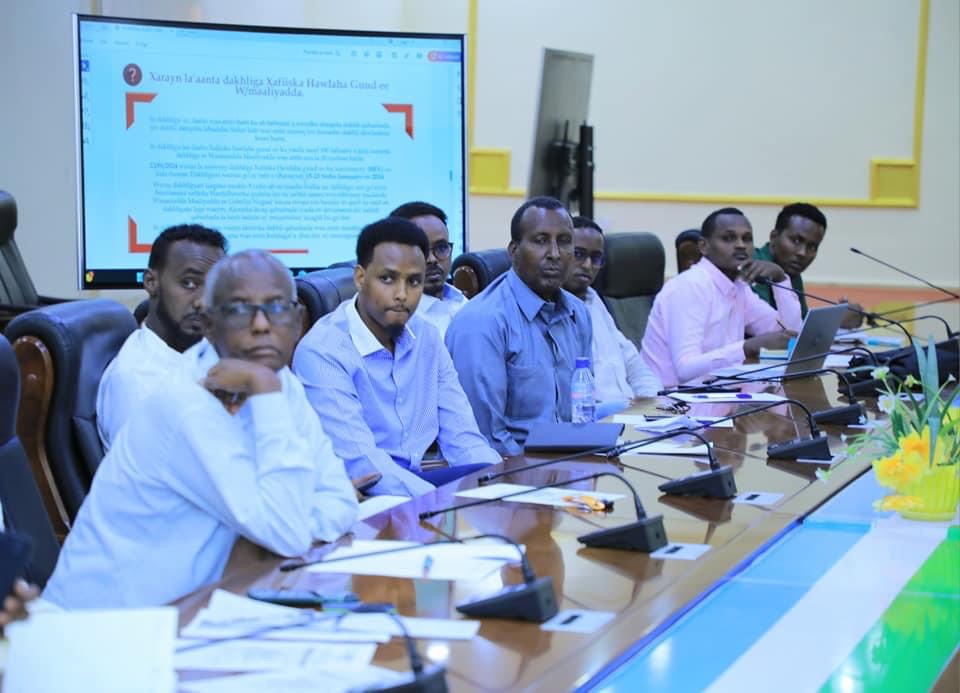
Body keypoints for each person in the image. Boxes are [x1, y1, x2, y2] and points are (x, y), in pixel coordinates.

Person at [44, 251, 358, 609]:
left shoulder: (278, 380)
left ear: (298, 321)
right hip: (106, 623)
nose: (261, 325)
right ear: (208, 323)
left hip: (193, 605)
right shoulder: (187, 403)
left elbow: (340, 500)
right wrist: (267, 393)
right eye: (240, 309)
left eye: (276, 307)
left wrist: (292, 523)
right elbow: (287, 533)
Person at [293, 218, 500, 497]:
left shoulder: (426, 336)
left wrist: (502, 486)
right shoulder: (323, 351)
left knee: (494, 481)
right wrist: (442, 504)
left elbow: (463, 437)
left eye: (413, 281)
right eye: (387, 279)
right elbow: (363, 465)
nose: (402, 295)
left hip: (418, 482)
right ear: (360, 278)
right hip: (364, 495)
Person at [445, 196, 592, 455]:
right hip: (510, 468)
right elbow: (485, 438)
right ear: (513, 252)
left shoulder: (578, 313)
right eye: (540, 241)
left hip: (569, 462)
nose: (555, 254)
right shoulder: (482, 322)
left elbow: (582, 411)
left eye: (564, 242)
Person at [96, 224, 228, 449]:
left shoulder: (200, 350)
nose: (204, 301)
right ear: (151, 282)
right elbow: (149, 472)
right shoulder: (139, 383)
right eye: (189, 283)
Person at [641, 207, 799, 387]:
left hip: (718, 391)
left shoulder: (739, 286)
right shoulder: (689, 286)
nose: (741, 245)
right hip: (671, 398)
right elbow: (685, 369)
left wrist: (780, 279)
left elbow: (790, 334)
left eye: (747, 238)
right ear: (703, 246)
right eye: (729, 238)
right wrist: (746, 347)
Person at [562, 216, 661, 406]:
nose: (588, 265)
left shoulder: (593, 299)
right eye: (579, 254)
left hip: (628, 412)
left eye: (596, 258)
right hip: (596, 416)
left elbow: (635, 366)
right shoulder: (553, 310)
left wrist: (655, 403)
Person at [751, 202, 864, 329]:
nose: (803, 253)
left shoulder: (791, 273)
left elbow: (800, 323)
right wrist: (834, 320)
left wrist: (839, 315)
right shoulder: (755, 265)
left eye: (812, 247)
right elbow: (774, 328)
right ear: (774, 236)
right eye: (796, 241)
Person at [390, 201, 466, 336]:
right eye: (421, 250)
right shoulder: (398, 322)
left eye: (441, 248)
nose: (432, 259)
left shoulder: (463, 302)